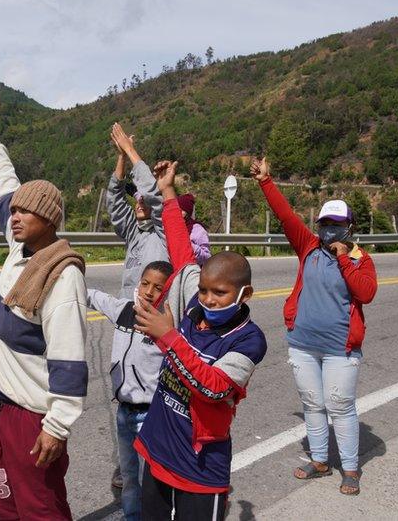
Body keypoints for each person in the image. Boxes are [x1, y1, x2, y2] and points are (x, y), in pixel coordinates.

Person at [128, 159, 267, 521]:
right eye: (204, 290)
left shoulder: (249, 341)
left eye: (219, 292)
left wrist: (169, 337)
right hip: (159, 448)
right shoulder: (195, 304)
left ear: (245, 293)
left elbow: (215, 387)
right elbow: (181, 248)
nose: (207, 299)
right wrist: (167, 189)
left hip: (200, 466)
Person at [0, 95, 89, 520]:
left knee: (41, 507)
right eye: (17, 210)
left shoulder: (62, 275)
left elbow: (69, 361)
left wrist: (57, 426)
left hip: (32, 415)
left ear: (50, 220)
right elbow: (3, 184)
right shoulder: (19, 247)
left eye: (28, 211)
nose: (16, 215)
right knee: (5, 499)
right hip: (1, 402)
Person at [251, 156, 377, 496]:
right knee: (312, 403)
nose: (328, 229)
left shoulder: (359, 259)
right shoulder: (308, 246)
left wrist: (342, 258)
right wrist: (266, 181)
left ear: (349, 227)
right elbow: (285, 215)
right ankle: (320, 460)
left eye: (336, 224)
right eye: (324, 223)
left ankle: (350, 468)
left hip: (340, 347)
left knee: (340, 405)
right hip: (303, 343)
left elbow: (365, 294)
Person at [86, 260, 175, 521]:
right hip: (124, 412)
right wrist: (66, 280)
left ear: (167, 291)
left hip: (151, 416)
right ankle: (131, 517)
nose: (149, 291)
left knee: (149, 482)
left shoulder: (166, 325)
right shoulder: (125, 310)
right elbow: (94, 297)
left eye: (158, 288)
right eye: (145, 283)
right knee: (128, 476)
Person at [108, 122, 169, 299]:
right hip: (128, 314)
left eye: (145, 200)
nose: (140, 202)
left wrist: (130, 150)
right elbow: (115, 202)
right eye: (137, 199)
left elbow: (153, 193)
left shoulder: (164, 234)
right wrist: (122, 157)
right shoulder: (133, 231)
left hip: (154, 318)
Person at [177, 193, 211, 265]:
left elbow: (207, 258)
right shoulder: (171, 227)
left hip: (191, 271)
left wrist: (190, 246)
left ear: (187, 213)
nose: (177, 213)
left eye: (181, 210)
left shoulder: (198, 230)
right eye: (176, 210)